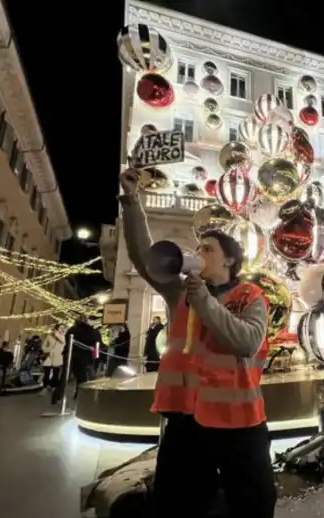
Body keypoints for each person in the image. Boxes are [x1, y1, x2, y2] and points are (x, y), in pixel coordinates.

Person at [119, 167, 276, 517]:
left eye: (207, 248)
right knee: (178, 505)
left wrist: (203, 299)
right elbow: (143, 255)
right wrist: (131, 201)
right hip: (187, 421)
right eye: (197, 247)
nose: (198, 252)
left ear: (230, 259)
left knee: (254, 503)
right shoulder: (178, 292)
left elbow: (246, 341)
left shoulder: (251, 295)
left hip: (241, 423)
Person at [41, 324, 65, 391]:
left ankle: (53, 386)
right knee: (47, 372)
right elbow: (43, 346)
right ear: (57, 328)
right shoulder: (49, 336)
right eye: (60, 328)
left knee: (55, 374)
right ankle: (45, 386)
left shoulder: (63, 337)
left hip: (58, 358)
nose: (62, 329)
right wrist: (48, 350)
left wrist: (56, 333)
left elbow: (62, 340)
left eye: (63, 328)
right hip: (50, 357)